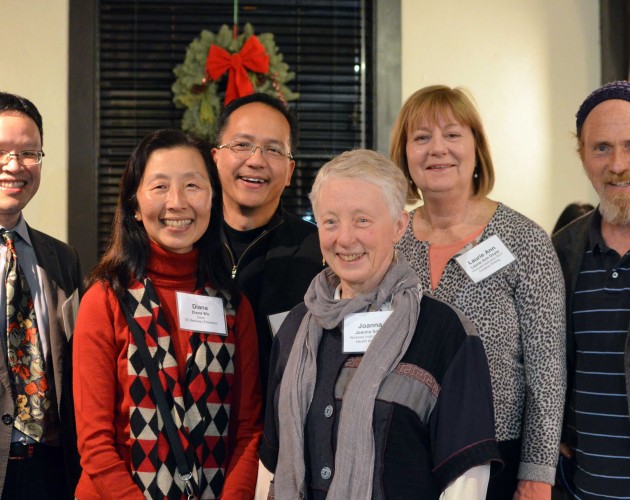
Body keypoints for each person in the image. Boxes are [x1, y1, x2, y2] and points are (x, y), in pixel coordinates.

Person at [259, 149, 502, 499]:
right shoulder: (295, 328)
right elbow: (271, 462)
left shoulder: (445, 334)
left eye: (362, 220)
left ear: (399, 226)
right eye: (330, 221)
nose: (344, 239)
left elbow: (465, 479)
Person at [390, 85, 566, 499]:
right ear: (405, 154)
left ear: (476, 148)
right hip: (402, 453)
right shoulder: (392, 242)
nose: (438, 149)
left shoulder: (524, 241)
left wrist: (537, 474)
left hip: (496, 457)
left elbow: (547, 372)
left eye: (452, 135)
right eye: (421, 137)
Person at [72, 129, 262, 499]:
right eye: (159, 187)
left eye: (193, 186)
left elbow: (248, 432)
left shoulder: (232, 305)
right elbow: (95, 443)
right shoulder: (105, 299)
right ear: (135, 207)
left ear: (213, 199)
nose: (177, 202)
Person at [212, 93, 323, 402]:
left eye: (273, 149)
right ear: (216, 157)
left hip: (282, 436)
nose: (256, 160)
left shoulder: (319, 254)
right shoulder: (185, 244)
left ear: (289, 172)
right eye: (242, 145)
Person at [0, 92, 82, 499]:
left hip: (51, 467)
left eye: (29, 152)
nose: (14, 166)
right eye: (1, 151)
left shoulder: (62, 258)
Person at [553, 80, 630, 499]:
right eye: (601, 147)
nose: (618, 164)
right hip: (583, 488)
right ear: (582, 155)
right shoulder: (561, 252)